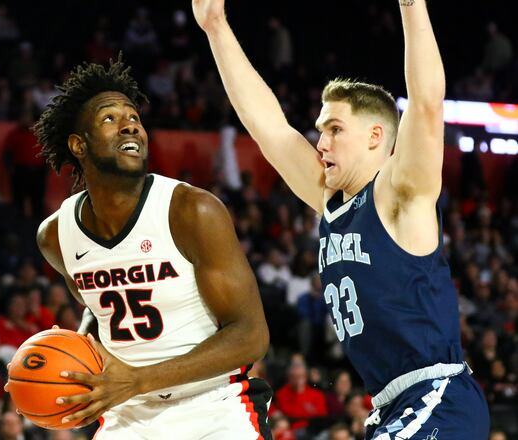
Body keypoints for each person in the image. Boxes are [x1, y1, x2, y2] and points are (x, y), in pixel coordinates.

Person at [194, 0, 489, 438]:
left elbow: (427, 103)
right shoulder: (330, 198)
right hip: (390, 406)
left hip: (439, 395)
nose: (320, 141)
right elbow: (269, 128)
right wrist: (215, 27)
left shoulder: (400, 195)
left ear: (376, 137)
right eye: (319, 128)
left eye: (334, 129)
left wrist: (411, 5)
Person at [25, 57, 271, 438]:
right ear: (78, 144)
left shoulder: (191, 210)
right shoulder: (56, 235)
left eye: (135, 118)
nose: (130, 125)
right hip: (126, 415)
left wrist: (138, 380)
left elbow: (251, 336)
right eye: (109, 119)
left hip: (213, 409)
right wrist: (73, 358)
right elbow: (101, 316)